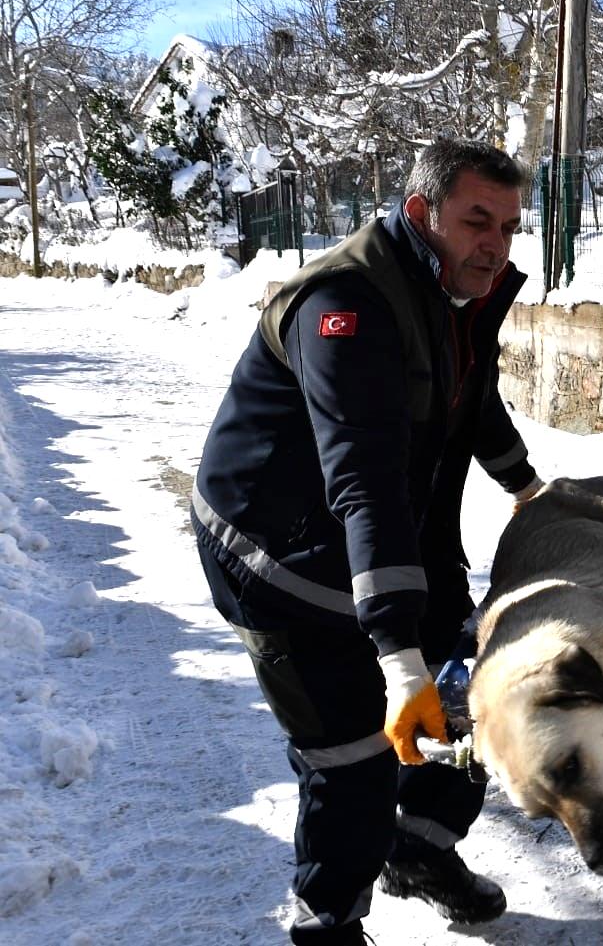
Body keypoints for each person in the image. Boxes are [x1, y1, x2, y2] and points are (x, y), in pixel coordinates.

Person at [191, 138, 543, 946]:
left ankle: (419, 851)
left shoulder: (453, 289)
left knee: (472, 693)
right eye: (477, 220)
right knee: (351, 756)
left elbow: (467, 390)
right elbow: (363, 476)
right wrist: (395, 655)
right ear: (422, 214)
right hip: (279, 556)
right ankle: (328, 923)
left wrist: (527, 486)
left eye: (511, 225)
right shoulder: (343, 304)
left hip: (386, 537)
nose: (497, 243)